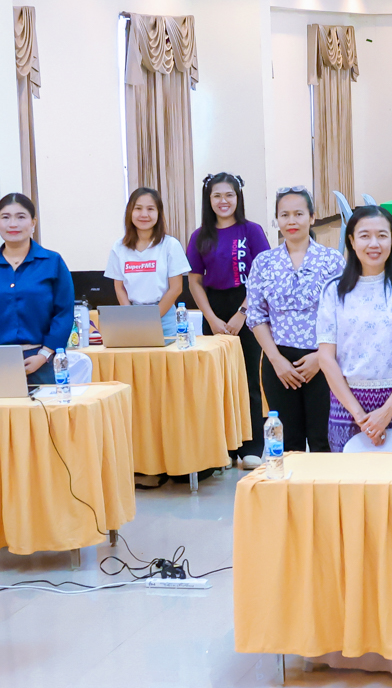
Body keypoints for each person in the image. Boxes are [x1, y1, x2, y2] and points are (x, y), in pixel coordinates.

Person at [316, 205, 392, 451]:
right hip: (347, 406)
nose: (374, 244)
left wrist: (388, 409)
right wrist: (359, 415)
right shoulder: (333, 289)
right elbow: (326, 357)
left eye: (382, 235)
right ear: (351, 240)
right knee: (351, 475)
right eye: (365, 236)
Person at [245, 187, 344, 454]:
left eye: (299, 214)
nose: (292, 221)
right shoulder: (264, 262)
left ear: (312, 217)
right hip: (279, 362)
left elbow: (344, 314)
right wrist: (276, 360)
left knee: (324, 441)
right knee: (287, 444)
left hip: (323, 359)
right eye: (284, 215)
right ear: (277, 219)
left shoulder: (331, 260)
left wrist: (320, 358)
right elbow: (256, 316)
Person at [186, 171, 270, 469]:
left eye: (229, 195)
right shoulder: (199, 236)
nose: (224, 201)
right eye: (217, 196)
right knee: (217, 381)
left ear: (238, 197)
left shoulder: (252, 231)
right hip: (213, 309)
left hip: (248, 306)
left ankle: (252, 445)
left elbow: (262, 276)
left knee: (248, 378)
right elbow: (194, 281)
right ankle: (223, 448)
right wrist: (210, 317)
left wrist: (242, 313)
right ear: (208, 200)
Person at [0, 193, 73, 384]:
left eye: (21, 217)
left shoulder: (53, 262)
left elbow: (64, 312)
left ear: (33, 223)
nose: (13, 224)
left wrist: (44, 354)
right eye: (5, 217)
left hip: (44, 361)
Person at [107, 187, 190, 336]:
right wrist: (131, 317)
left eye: (150, 209)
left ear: (158, 213)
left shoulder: (170, 245)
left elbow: (176, 288)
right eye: (138, 208)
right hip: (132, 317)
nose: (144, 214)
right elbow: (119, 288)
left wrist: (151, 319)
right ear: (130, 212)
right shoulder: (119, 247)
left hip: (164, 318)